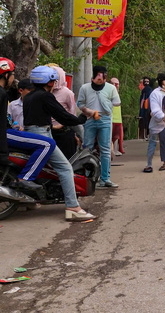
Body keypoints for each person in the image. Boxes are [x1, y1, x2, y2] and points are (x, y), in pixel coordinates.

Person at [23, 65, 100, 220]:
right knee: (65, 168)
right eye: (54, 80)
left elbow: (36, 118)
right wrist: (82, 119)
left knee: (45, 167)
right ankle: (72, 207)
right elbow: (63, 115)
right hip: (42, 135)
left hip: (34, 132)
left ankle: (31, 200)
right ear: (50, 82)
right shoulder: (45, 96)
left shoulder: (29, 96)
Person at [0, 61, 53, 193]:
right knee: (47, 144)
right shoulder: (1, 94)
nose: (13, 78)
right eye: (12, 74)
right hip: (5, 134)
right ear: (5, 75)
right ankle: (25, 178)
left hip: (8, 131)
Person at [77, 65, 121, 189]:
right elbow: (80, 103)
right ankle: (87, 178)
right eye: (98, 76)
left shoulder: (110, 88)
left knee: (105, 149)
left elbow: (117, 102)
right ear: (93, 76)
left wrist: (105, 103)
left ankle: (105, 178)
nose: (100, 80)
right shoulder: (85, 88)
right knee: (87, 148)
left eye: (103, 76)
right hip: (90, 118)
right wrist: (88, 111)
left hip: (105, 118)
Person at [50, 66, 80, 158]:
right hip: (48, 131)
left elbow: (72, 113)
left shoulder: (67, 93)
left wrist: (75, 133)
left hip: (64, 132)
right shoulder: (45, 93)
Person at [144, 73, 165, 173]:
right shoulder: (155, 93)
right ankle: (149, 164)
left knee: (164, 142)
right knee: (152, 143)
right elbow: (155, 110)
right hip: (157, 121)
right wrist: (164, 118)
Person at [110, 77, 124, 156]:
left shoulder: (117, 93)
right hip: (111, 118)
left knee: (117, 135)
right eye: (113, 83)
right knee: (110, 136)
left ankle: (115, 149)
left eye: (117, 84)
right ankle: (111, 151)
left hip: (118, 118)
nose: (115, 85)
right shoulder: (108, 92)